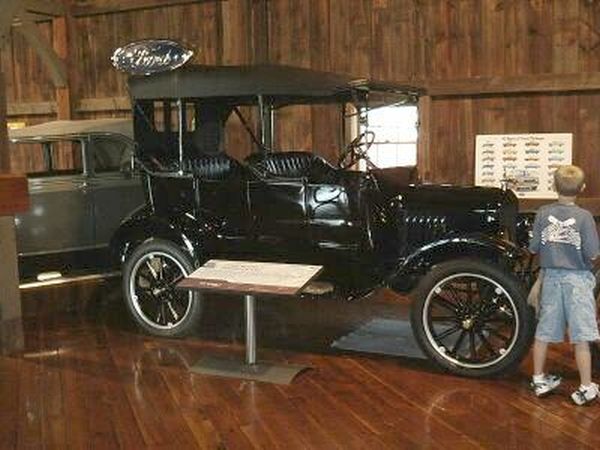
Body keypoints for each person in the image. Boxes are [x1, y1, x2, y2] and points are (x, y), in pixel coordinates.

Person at [528, 165, 600, 405]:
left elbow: (534, 247)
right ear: (582, 188)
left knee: (543, 331)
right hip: (577, 281)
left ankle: (538, 378)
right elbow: (592, 253)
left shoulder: (542, 213)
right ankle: (586, 387)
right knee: (581, 335)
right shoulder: (585, 217)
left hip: (550, 279)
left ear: (553, 186)